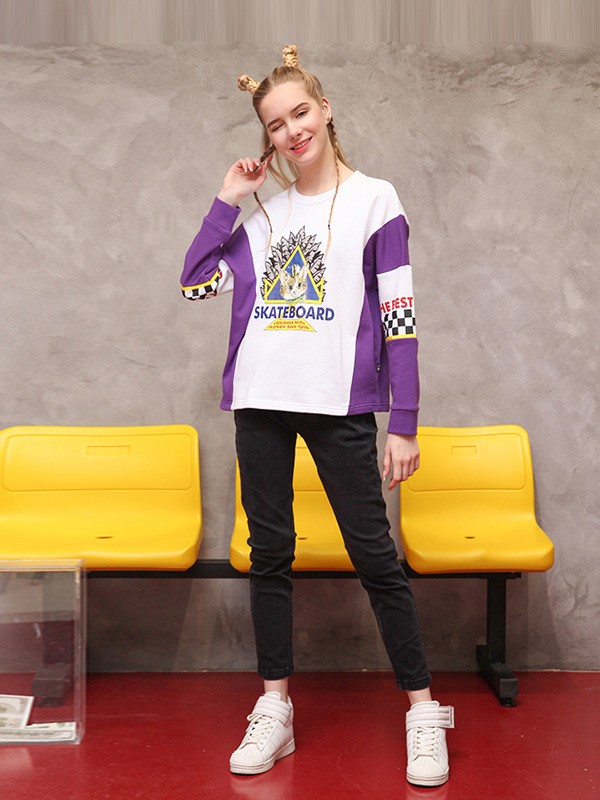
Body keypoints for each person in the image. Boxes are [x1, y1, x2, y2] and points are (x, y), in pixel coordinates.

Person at [180, 44, 454, 788]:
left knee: (375, 557)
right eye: (275, 124)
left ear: (325, 110)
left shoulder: (376, 201)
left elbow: (399, 315)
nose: (291, 130)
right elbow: (195, 283)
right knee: (270, 553)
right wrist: (228, 199)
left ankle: (423, 712)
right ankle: (275, 707)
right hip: (261, 403)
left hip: (338, 404)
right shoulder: (261, 215)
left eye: (299, 112)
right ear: (266, 139)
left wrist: (405, 420)